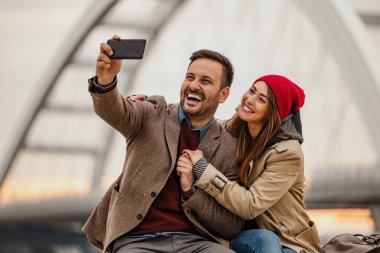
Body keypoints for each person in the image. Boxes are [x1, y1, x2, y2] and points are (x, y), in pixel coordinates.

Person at [81, 35, 244, 253]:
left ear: (223, 95)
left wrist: (191, 192)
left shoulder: (230, 146)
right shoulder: (152, 113)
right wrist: (105, 81)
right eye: (190, 77)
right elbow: (115, 110)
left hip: (196, 243)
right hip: (137, 240)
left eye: (205, 81)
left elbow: (231, 225)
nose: (193, 86)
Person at [178, 75, 322, 253]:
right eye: (252, 91)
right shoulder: (234, 129)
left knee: (267, 240)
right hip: (245, 234)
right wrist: (146, 104)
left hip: (287, 242)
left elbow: (250, 205)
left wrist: (203, 169)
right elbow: (200, 124)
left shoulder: (288, 153)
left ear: (273, 112)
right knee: (263, 239)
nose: (250, 99)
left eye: (261, 99)